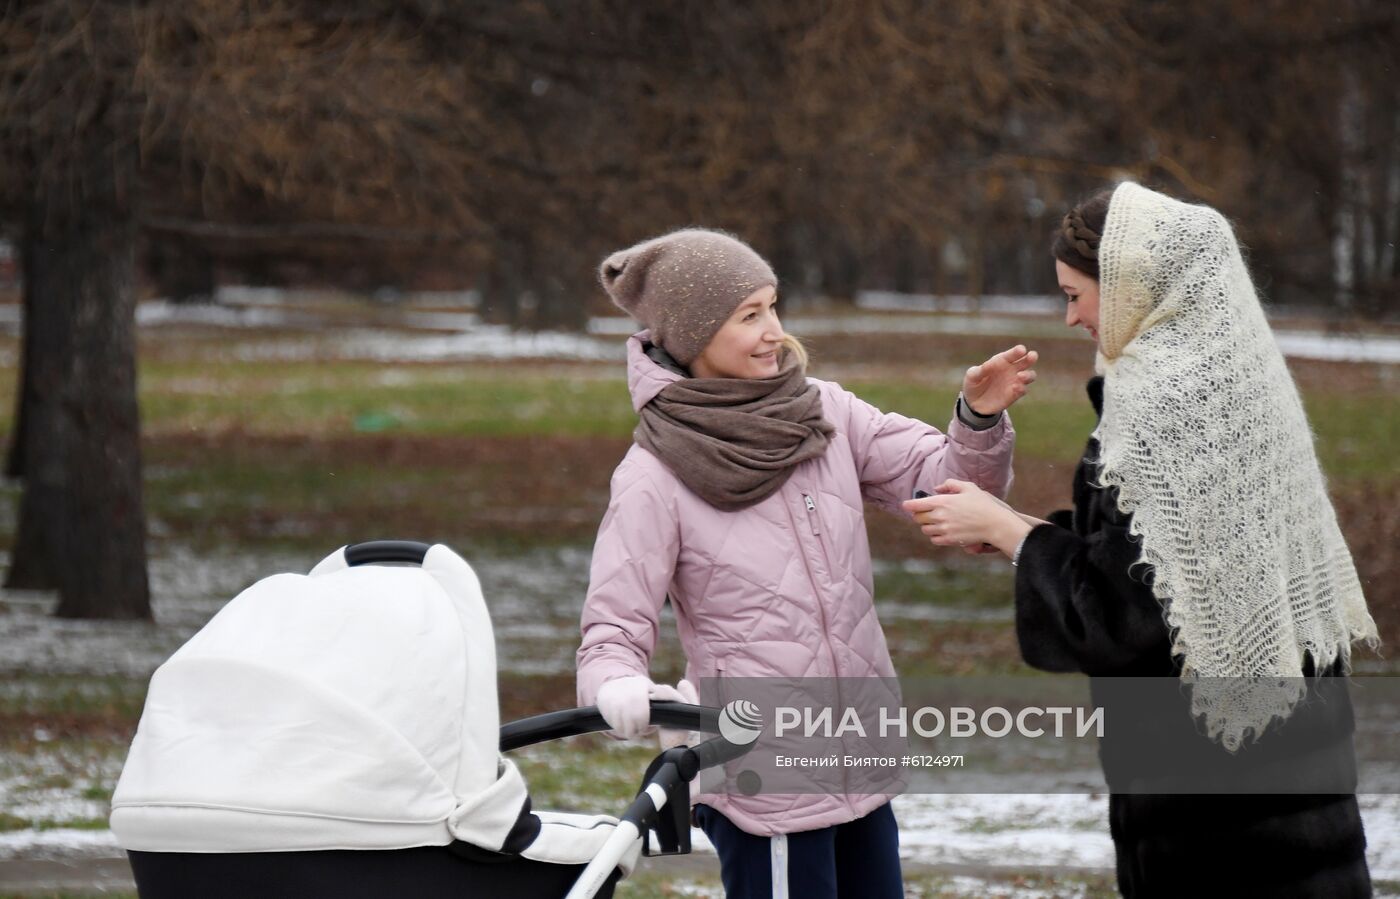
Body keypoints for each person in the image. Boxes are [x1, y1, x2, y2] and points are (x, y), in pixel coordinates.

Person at [903, 182, 1380, 898]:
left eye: (1075, 294)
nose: (1070, 318)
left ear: (1129, 284)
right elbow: (1166, 563)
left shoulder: (1159, 404)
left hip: (1214, 811)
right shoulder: (1236, 377)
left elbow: (1120, 616)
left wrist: (1008, 530)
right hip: (1291, 773)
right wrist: (1024, 536)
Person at [575, 228, 1036, 898]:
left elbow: (945, 483)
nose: (774, 332)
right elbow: (612, 627)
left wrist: (978, 420)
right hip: (766, 779)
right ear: (692, 334)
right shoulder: (655, 474)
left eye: (772, 307)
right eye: (749, 315)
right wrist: (618, 686)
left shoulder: (824, 412)